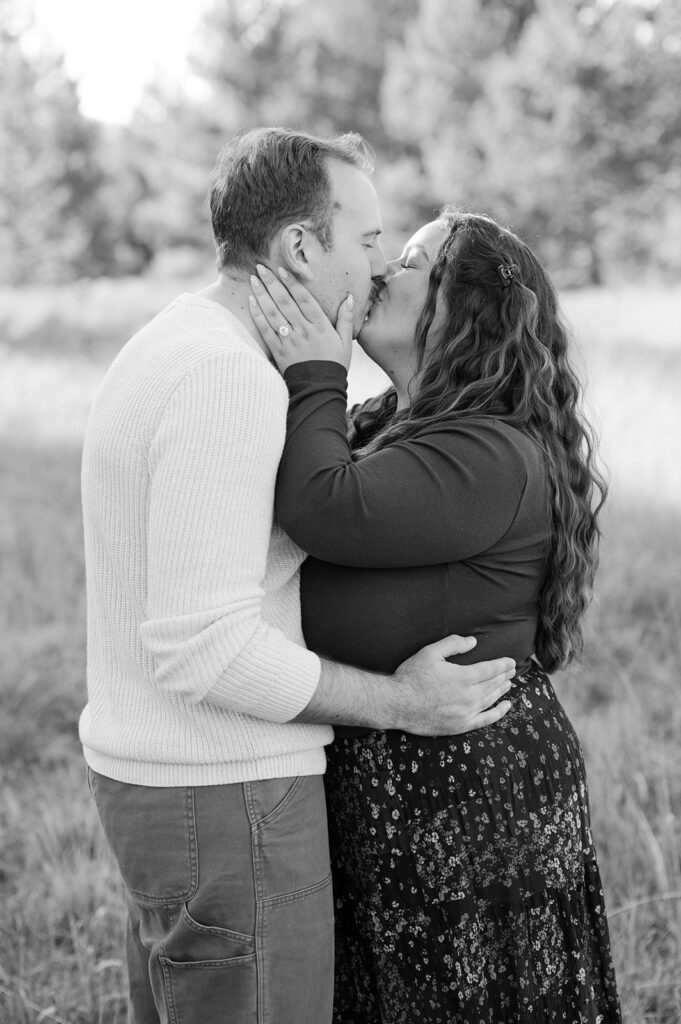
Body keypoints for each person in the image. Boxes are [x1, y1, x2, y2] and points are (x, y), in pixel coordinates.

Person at [79, 130, 516, 1024]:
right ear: (300, 247)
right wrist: (402, 704)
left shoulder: (182, 340)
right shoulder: (226, 380)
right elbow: (204, 648)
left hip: (172, 791)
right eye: (365, 243)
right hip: (226, 798)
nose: (378, 271)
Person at [249, 207, 622, 1023]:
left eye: (411, 262)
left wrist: (315, 368)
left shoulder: (488, 449)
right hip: (399, 782)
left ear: (464, 308)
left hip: (469, 796)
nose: (382, 270)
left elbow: (322, 508)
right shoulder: (392, 424)